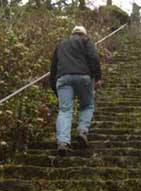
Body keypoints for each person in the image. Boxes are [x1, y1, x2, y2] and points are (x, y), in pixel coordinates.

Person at [50, 26, 102, 156]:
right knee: (87, 105)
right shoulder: (85, 41)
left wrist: (54, 87)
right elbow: (93, 58)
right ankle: (82, 131)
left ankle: (63, 142)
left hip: (63, 78)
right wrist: (97, 77)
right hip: (83, 77)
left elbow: (53, 67)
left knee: (64, 110)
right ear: (84, 34)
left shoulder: (61, 44)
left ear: (72, 33)